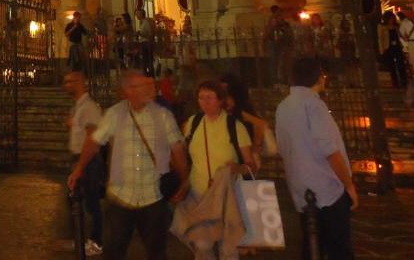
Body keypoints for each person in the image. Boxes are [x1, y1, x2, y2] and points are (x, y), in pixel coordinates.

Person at [68, 70, 188, 260]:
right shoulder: (115, 114)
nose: (150, 88)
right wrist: (80, 167)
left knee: (157, 252)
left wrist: (183, 180)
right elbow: (94, 141)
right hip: (121, 197)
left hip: (153, 195)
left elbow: (178, 150)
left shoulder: (163, 115)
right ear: (129, 90)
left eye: (150, 84)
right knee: (115, 251)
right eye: (143, 85)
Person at [275, 57, 357, 260]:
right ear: (318, 77)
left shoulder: (283, 107)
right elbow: (330, 150)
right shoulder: (314, 106)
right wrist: (348, 185)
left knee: (312, 245)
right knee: (338, 247)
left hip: (300, 188)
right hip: (327, 189)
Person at [172, 81, 255, 259]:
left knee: (228, 249)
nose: (205, 102)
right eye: (201, 97)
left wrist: (237, 168)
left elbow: (250, 165)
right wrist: (183, 184)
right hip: (199, 196)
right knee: (202, 246)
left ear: (221, 100)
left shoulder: (235, 126)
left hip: (227, 198)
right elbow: (186, 157)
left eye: (210, 97)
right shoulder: (193, 123)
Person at [63, 70, 103, 257]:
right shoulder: (78, 107)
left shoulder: (89, 107)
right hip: (79, 158)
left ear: (80, 82)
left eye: (70, 82)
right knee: (75, 199)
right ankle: (81, 237)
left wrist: (81, 165)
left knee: (91, 202)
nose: (66, 85)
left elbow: (92, 137)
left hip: (87, 160)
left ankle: (96, 241)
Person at [220, 73, 268, 171]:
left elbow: (261, 124)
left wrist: (255, 148)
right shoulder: (235, 111)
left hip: (244, 158)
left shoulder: (240, 112)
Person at [263, 6, 294, 86]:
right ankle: (275, 81)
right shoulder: (271, 22)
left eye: (280, 13)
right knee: (274, 62)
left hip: (284, 45)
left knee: (284, 62)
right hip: (274, 44)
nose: (279, 15)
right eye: (278, 13)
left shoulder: (285, 24)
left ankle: (285, 79)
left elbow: (289, 33)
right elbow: (267, 34)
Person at [378, 12, 407, 89]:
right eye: (390, 19)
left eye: (392, 19)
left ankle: (403, 81)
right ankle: (395, 82)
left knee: (400, 64)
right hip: (388, 47)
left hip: (397, 46)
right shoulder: (382, 27)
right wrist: (382, 50)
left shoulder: (396, 27)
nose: (391, 20)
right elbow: (380, 39)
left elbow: (400, 35)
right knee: (392, 66)